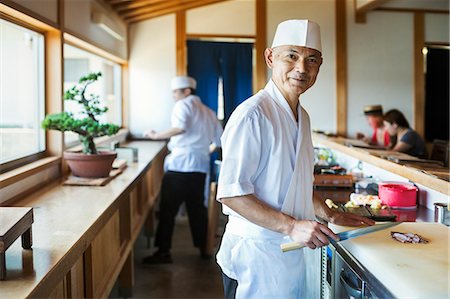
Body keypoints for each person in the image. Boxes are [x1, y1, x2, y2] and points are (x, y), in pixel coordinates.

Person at [215, 19, 374, 298]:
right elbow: (231, 194)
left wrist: (331, 213)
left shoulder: (303, 116)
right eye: (291, 56)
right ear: (270, 57)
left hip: (290, 249)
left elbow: (297, 185)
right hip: (257, 253)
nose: (302, 68)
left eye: (311, 60)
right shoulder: (253, 114)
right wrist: (291, 225)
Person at [142, 75, 223, 263]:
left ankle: (163, 252)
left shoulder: (183, 105)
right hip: (199, 167)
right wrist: (201, 151)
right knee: (197, 209)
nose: (173, 96)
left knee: (168, 209)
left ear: (187, 91)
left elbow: (180, 127)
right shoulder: (209, 112)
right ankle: (204, 248)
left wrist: (156, 136)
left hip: (180, 166)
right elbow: (218, 142)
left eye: (175, 92)